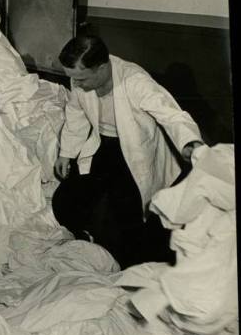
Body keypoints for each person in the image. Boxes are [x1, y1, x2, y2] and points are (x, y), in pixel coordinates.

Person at [52, 35, 203, 268]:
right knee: (65, 200)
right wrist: (66, 153)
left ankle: (131, 267)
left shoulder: (135, 81)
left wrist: (190, 143)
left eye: (81, 78)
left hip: (135, 151)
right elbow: (76, 113)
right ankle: (85, 240)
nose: (76, 85)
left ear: (102, 68)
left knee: (129, 216)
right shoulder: (80, 80)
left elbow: (170, 114)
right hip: (103, 145)